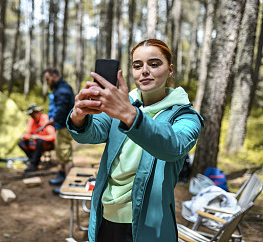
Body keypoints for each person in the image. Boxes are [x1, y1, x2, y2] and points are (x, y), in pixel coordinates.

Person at [66, 39, 203, 242]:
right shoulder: (123, 104)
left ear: (170, 69)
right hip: (105, 213)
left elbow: (173, 146)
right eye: (137, 65)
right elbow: (90, 133)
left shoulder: (185, 116)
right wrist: (79, 115)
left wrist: (131, 116)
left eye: (154, 64)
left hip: (148, 225)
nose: (144, 71)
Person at [40, 68, 75, 195]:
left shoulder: (63, 90)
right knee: (61, 154)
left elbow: (62, 110)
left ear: (55, 76)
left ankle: (67, 184)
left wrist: (48, 123)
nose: (47, 82)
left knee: (66, 156)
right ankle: (61, 177)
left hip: (65, 127)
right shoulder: (59, 89)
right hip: (60, 127)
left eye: (48, 79)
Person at [18, 104, 55, 172]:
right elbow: (28, 132)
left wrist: (39, 136)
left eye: (34, 113)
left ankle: (34, 164)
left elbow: (52, 137)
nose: (33, 115)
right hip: (36, 143)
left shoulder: (45, 119)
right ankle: (33, 160)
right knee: (21, 143)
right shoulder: (31, 120)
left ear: (39, 112)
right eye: (31, 114)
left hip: (48, 144)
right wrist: (24, 136)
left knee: (40, 141)